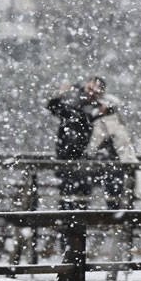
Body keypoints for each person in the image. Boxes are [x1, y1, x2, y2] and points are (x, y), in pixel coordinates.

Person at [46, 77, 105, 209]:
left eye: (95, 91)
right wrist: (60, 94)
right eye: (90, 89)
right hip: (67, 155)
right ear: (85, 86)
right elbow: (53, 106)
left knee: (82, 195)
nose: (91, 93)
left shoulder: (98, 109)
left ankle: (75, 224)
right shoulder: (72, 101)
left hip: (85, 157)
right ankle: (67, 223)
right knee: (67, 193)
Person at [85, 94, 141, 209]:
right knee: (118, 194)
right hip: (118, 163)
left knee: (113, 194)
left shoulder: (105, 122)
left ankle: (114, 218)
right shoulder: (115, 122)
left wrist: (90, 154)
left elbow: (94, 145)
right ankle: (118, 218)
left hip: (112, 163)